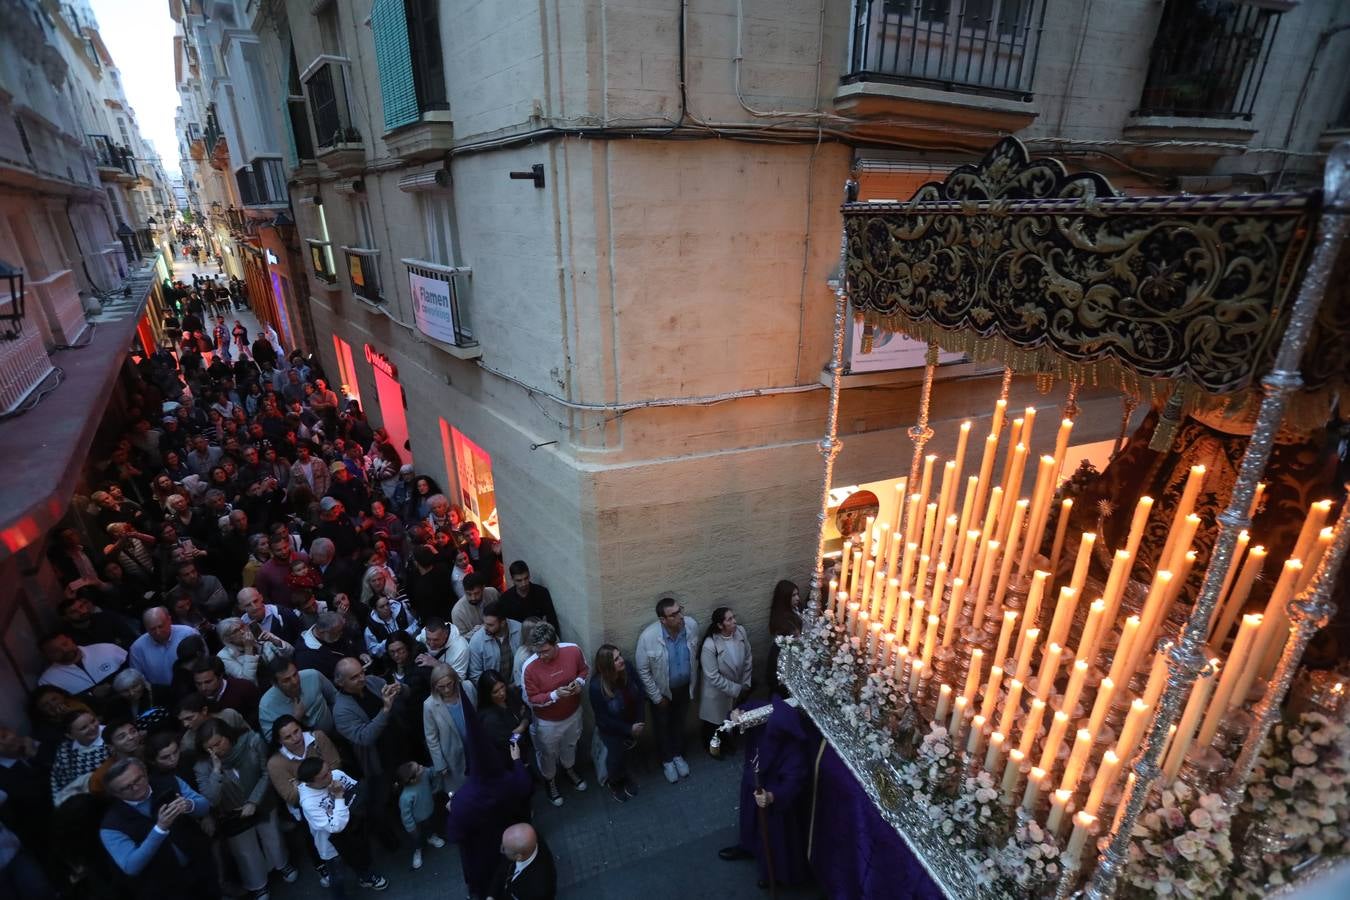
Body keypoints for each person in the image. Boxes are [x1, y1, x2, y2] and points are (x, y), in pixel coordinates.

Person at [717, 698, 817, 890]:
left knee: (774, 838)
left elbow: (795, 780)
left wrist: (772, 796)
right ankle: (747, 846)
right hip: (752, 782)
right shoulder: (763, 711)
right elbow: (741, 713)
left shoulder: (793, 747)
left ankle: (774, 874)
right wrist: (733, 714)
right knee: (749, 821)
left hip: (770, 795)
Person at [193, 717, 296, 898]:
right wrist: (216, 771)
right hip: (233, 814)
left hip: (262, 802)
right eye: (209, 748)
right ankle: (257, 883)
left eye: (218, 743)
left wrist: (253, 801)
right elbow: (211, 799)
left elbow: (266, 773)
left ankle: (282, 864)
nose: (215, 750)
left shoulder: (251, 741)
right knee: (245, 851)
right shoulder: (202, 766)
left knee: (272, 836)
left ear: (227, 735)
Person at [99, 757, 216, 898]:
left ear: (145, 773)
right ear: (116, 794)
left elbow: (204, 807)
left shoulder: (170, 782)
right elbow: (131, 866)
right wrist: (159, 829)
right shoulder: (111, 825)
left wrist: (189, 805)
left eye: (138, 780)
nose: (135, 787)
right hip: (163, 887)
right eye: (126, 788)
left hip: (201, 867)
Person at [444, 718, 532, 900]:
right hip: (508, 840)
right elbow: (524, 787)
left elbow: (453, 835)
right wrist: (516, 761)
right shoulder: (505, 780)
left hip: (480, 852)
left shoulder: (462, 799)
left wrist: (453, 809)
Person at [295, 757, 389, 892]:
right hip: (332, 846)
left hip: (354, 830)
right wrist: (339, 796)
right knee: (338, 876)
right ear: (311, 783)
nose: (331, 775)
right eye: (324, 776)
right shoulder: (309, 803)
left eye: (328, 770)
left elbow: (358, 792)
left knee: (361, 858)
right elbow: (335, 827)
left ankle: (366, 878)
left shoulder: (337, 774)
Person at [520, 622, 588, 807]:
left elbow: (584, 669)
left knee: (570, 744)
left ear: (556, 643)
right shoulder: (529, 667)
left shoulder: (573, 650)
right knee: (547, 753)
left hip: (573, 713)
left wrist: (579, 682)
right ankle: (549, 780)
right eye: (538, 652)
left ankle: (569, 768)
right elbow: (532, 698)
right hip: (547, 722)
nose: (541, 656)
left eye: (545, 651)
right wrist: (555, 695)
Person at [635, 597, 699, 783]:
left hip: (684, 688)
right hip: (663, 692)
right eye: (674, 614)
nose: (680, 616)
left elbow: (694, 654)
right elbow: (643, 670)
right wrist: (656, 697)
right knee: (662, 727)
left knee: (679, 723)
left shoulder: (691, 626)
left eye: (680, 611)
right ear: (663, 619)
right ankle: (667, 761)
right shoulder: (648, 637)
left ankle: (678, 755)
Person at [588, 644, 644, 803]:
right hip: (612, 730)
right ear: (607, 666)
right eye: (616, 659)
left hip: (632, 723)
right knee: (615, 758)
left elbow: (639, 693)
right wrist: (628, 728)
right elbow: (603, 719)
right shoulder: (596, 687)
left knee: (625, 755)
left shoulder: (628, 669)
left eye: (620, 655)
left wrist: (640, 721)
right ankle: (615, 783)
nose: (622, 660)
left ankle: (625, 777)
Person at [698, 606, 754, 751]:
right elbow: (713, 676)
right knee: (715, 725)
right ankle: (712, 749)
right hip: (717, 694)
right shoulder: (710, 646)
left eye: (733, 617)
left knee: (730, 720)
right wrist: (737, 689)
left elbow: (748, 658)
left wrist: (746, 683)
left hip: (736, 689)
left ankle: (727, 744)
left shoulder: (740, 632)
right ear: (720, 625)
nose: (734, 621)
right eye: (729, 620)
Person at [422, 663, 477, 793]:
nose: (446, 690)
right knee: (461, 791)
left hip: (474, 746)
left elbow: (477, 712)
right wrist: (440, 764)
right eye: (441, 687)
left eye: (449, 684)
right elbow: (431, 738)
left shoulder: (467, 688)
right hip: (452, 755)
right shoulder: (429, 705)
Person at [259, 655, 338, 740]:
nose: (294, 681)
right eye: (286, 680)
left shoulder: (313, 676)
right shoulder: (267, 706)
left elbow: (335, 697)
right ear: (275, 684)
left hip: (335, 730)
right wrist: (295, 719)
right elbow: (272, 741)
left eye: (295, 674)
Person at [38, 632, 126, 701]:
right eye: (56, 651)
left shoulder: (106, 649)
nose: (64, 650)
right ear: (47, 656)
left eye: (65, 644)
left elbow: (133, 669)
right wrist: (91, 695)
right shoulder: (48, 681)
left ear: (71, 640)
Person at [476, 669, 533, 772]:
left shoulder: (511, 694)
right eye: (495, 692)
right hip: (509, 761)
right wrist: (523, 726)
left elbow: (527, 710)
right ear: (487, 694)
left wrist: (520, 727)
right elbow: (511, 740)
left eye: (502, 687)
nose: (502, 693)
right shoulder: (489, 719)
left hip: (526, 751)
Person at [394, 760, 446, 870]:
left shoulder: (424, 773)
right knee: (416, 838)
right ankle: (417, 850)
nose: (422, 766)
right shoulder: (406, 797)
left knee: (429, 827)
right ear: (412, 780)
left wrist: (437, 785)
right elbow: (406, 816)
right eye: (418, 768)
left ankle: (431, 837)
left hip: (429, 812)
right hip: (416, 821)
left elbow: (434, 771)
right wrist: (411, 829)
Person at [130, 607, 199, 689]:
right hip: (161, 695)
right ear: (146, 628)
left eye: (160, 626)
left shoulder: (188, 633)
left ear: (169, 620)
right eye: (152, 629)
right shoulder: (137, 648)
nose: (158, 632)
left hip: (194, 687)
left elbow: (204, 662)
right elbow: (138, 678)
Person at [49, 708, 109, 802]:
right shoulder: (65, 748)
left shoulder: (111, 738)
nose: (93, 727)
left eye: (93, 721)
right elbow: (57, 781)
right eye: (84, 728)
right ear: (70, 735)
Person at [490, 823, 557, 900]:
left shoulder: (539, 889)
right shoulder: (528, 838)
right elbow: (503, 867)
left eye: (504, 849)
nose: (501, 849)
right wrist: (491, 895)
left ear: (518, 856)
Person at [217, 616, 292, 684]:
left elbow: (291, 653)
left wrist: (275, 641)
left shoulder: (259, 636)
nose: (243, 632)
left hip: (281, 679)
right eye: (236, 631)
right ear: (228, 639)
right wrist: (248, 649)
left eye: (242, 627)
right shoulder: (224, 656)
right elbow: (248, 681)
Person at [498, 561, 560, 635]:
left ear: (529, 576)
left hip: (540, 637)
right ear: (512, 580)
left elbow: (552, 620)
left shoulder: (541, 592)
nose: (524, 583)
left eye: (526, 578)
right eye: (519, 580)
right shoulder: (505, 598)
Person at [467, 601, 523, 683]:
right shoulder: (477, 641)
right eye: (485, 623)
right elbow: (475, 674)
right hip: (492, 692)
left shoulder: (520, 630)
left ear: (503, 623)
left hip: (517, 686)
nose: (485, 628)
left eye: (490, 625)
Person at [766, 580, 802, 696]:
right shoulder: (782, 621)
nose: (797, 598)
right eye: (793, 595)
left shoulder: (796, 609)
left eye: (797, 594)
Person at [452, 572, 498, 637]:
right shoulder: (458, 612)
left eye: (476, 593)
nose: (473, 598)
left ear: (483, 588)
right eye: (469, 594)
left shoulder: (493, 593)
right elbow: (462, 639)